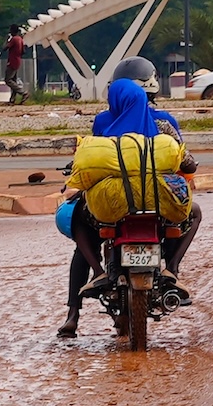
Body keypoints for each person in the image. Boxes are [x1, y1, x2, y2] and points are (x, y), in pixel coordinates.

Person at [57, 69, 200, 338]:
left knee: (80, 227)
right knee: (190, 213)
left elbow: (92, 160)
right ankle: (172, 268)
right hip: (156, 202)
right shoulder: (163, 125)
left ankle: (75, 311)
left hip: (113, 205)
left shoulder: (103, 122)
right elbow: (185, 160)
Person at [4, 24, 29, 105]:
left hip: (12, 61)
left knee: (8, 80)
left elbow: (4, 48)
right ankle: (12, 99)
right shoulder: (20, 39)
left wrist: (7, 40)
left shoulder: (14, 39)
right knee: (13, 80)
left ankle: (23, 93)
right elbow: (23, 52)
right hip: (18, 60)